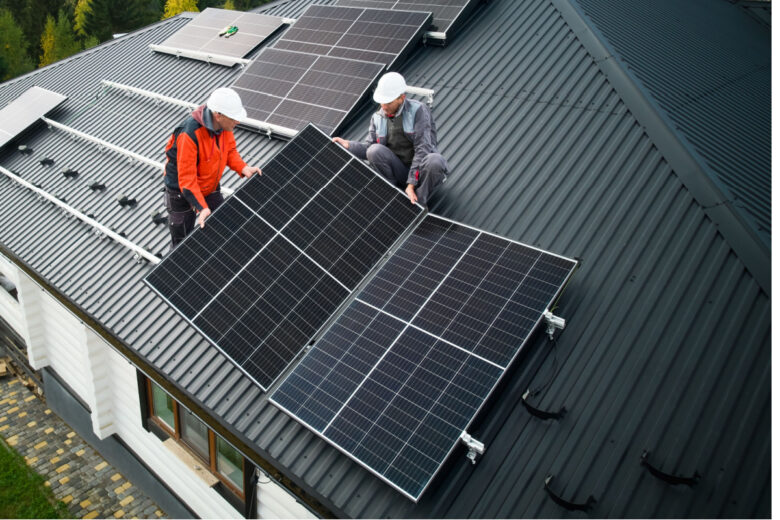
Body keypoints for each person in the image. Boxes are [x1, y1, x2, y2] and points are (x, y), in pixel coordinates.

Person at [163, 87, 261, 248]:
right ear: (218, 115)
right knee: (182, 245)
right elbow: (187, 180)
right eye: (234, 118)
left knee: (222, 224)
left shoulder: (224, 127)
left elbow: (229, 151)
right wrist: (202, 208)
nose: (238, 121)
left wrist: (243, 168)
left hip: (209, 187)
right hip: (181, 193)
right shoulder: (189, 134)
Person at [333, 72, 447, 207]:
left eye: (388, 102)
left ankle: (418, 203)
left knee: (435, 160)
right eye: (382, 101)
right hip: (400, 171)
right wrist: (349, 145)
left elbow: (423, 149)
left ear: (401, 98)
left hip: (422, 173)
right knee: (374, 151)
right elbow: (369, 148)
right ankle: (392, 195)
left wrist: (411, 184)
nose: (384, 106)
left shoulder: (418, 111)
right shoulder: (378, 117)